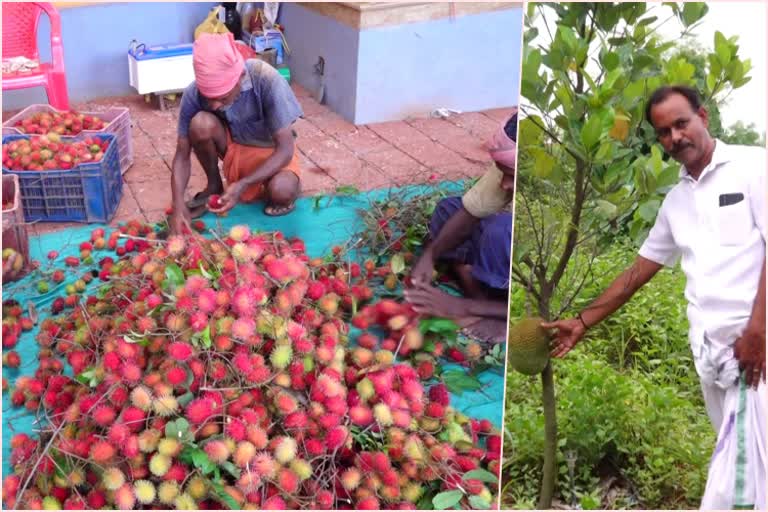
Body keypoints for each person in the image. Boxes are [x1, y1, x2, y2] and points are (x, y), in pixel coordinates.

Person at [544, 85, 765, 510]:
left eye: (681, 123)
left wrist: (759, 330)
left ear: (703, 116)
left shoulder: (754, 167)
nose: (674, 138)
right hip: (711, 357)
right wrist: (583, 322)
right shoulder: (676, 202)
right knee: (746, 470)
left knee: (736, 488)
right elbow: (638, 272)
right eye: (663, 132)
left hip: (755, 355)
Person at [169, 32, 303, 235]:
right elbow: (182, 154)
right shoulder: (194, 93)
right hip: (234, 148)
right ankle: (214, 185)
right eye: (209, 97)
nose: (214, 105)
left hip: (272, 153)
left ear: (239, 77)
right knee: (200, 123)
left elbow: (285, 150)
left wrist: (244, 183)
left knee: (282, 191)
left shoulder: (265, 79)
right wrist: (178, 205)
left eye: (222, 98)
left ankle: (279, 185)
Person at [404, 109, 517, 344]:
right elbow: (470, 211)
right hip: (498, 252)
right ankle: (479, 295)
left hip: (518, 270)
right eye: (502, 173)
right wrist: (429, 256)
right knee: (449, 210)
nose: (505, 184)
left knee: (501, 232)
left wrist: (461, 306)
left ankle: (498, 311)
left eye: (512, 176)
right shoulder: (509, 167)